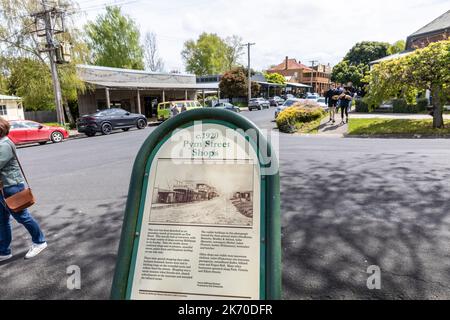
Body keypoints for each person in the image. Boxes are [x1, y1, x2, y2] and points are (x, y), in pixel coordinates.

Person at [0, 118, 47, 262]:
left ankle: (40, 242)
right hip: (2, 188)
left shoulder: (5, 144)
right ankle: (4, 251)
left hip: (12, 187)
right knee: (2, 220)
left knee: (22, 217)